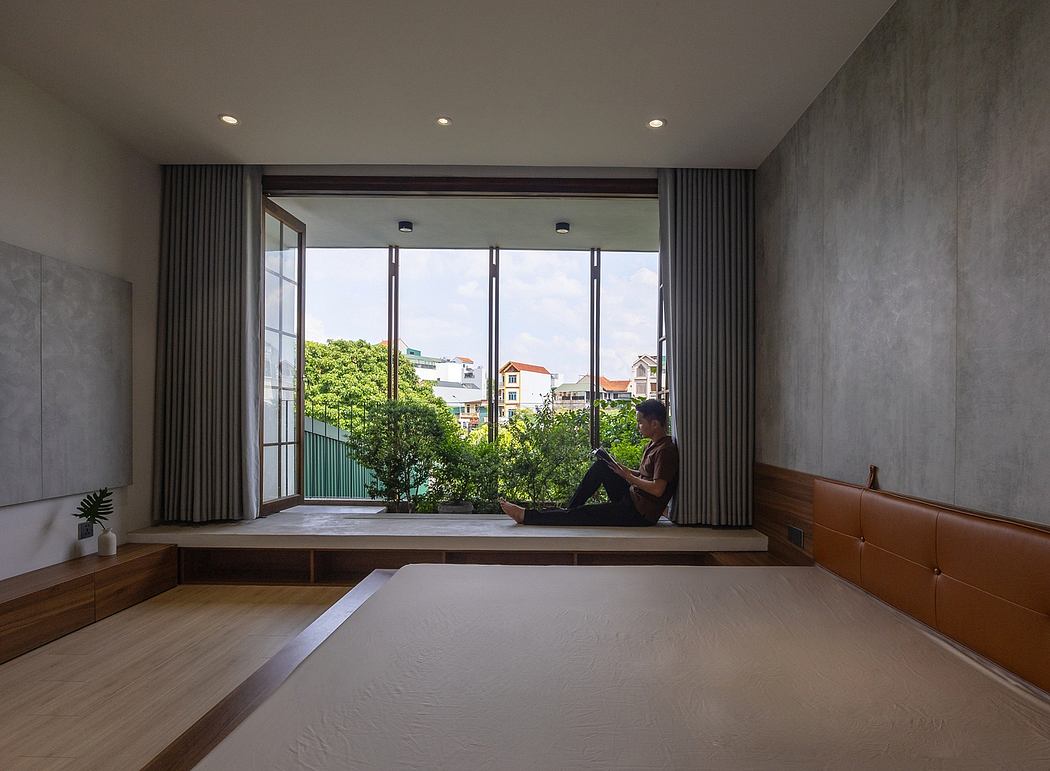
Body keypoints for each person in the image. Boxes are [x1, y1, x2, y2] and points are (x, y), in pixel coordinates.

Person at [499, 399, 679, 526]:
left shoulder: (666, 450)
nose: (638, 427)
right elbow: (648, 476)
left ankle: (527, 516)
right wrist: (625, 471)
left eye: (640, 423)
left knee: (585, 514)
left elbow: (658, 489)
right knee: (603, 466)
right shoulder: (654, 444)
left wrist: (629, 477)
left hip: (638, 513)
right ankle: (569, 511)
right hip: (632, 498)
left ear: (655, 424)